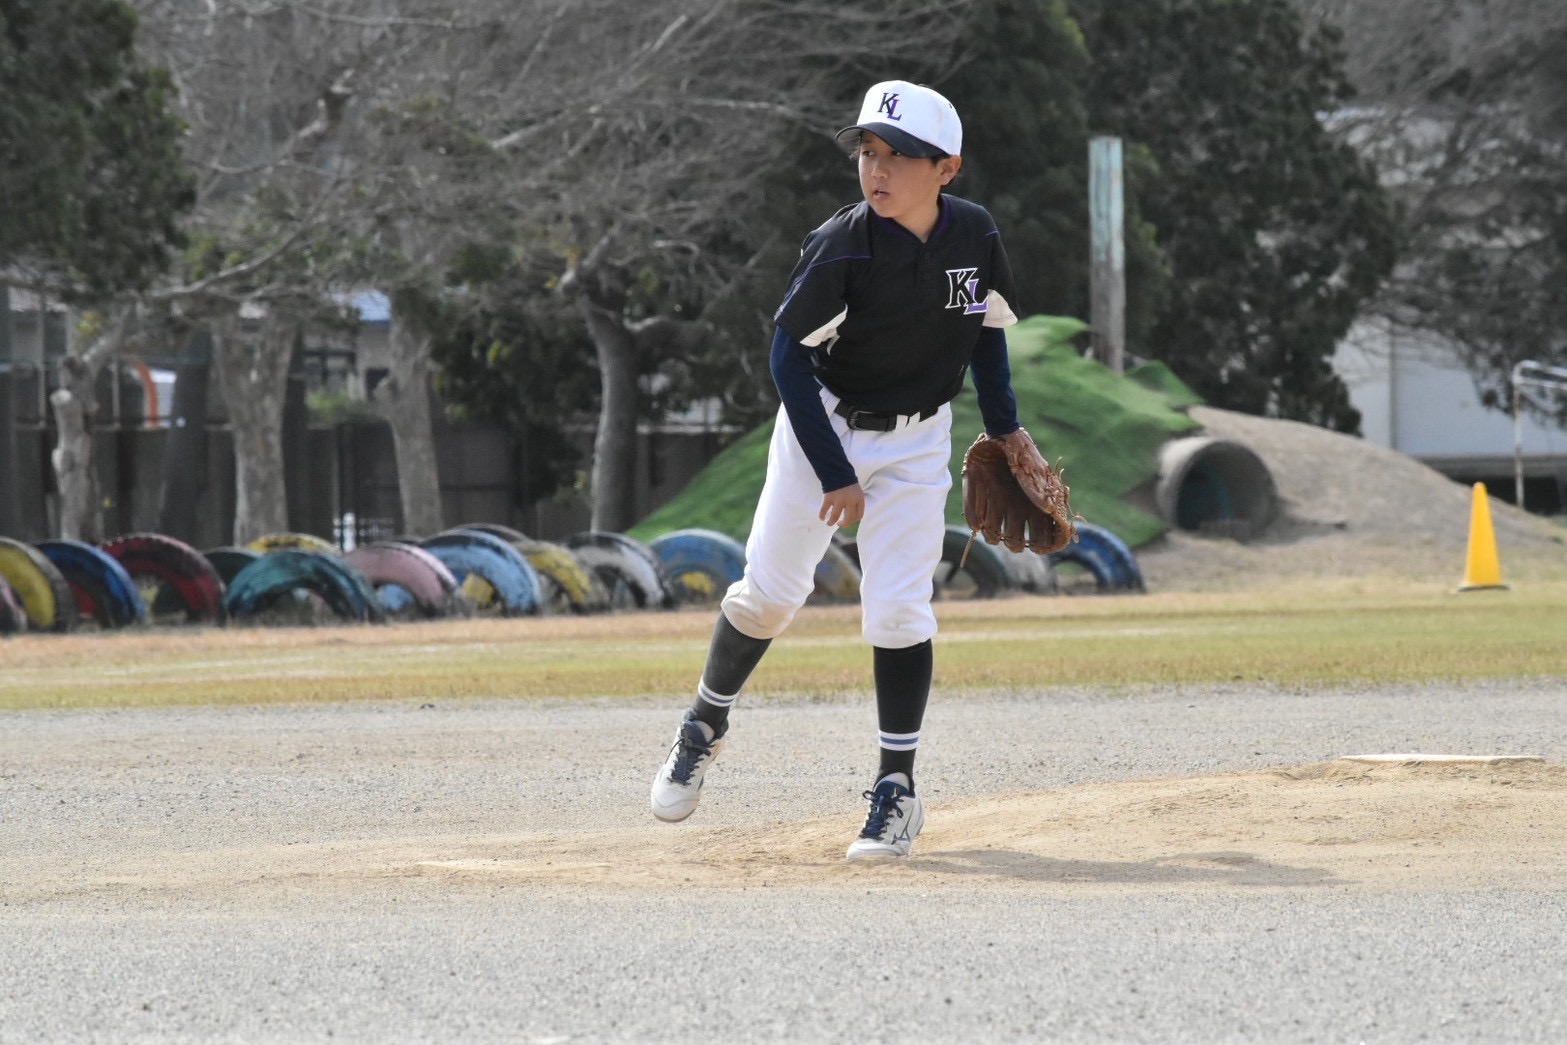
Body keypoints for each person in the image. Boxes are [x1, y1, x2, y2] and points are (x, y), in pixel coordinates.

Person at [650, 79, 1043, 860]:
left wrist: (1005, 428)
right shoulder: (844, 244)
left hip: (918, 440)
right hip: (822, 425)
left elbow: (986, 329)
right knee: (768, 594)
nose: (877, 168)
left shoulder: (973, 235)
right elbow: (786, 360)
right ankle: (704, 723)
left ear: (947, 169)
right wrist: (834, 472)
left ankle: (896, 789)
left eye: (899, 155)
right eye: (868, 151)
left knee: (897, 610)